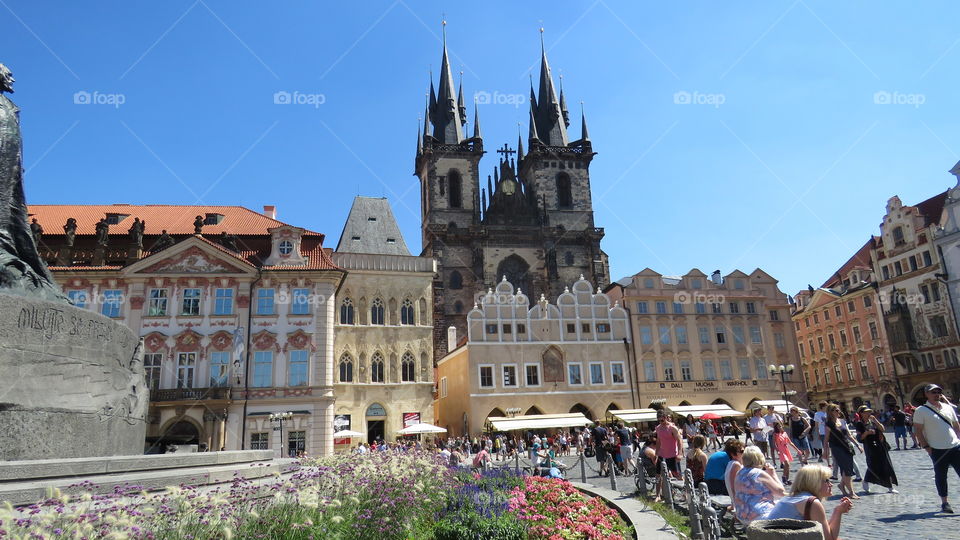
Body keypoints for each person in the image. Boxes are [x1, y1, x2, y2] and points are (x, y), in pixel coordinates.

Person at [765, 465, 853, 540]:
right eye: (826, 480)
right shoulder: (811, 502)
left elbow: (823, 530)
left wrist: (837, 510)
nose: (831, 484)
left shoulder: (791, 497)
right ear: (814, 482)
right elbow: (828, 538)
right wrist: (838, 512)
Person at [913, 383, 960, 513]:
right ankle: (945, 503)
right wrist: (927, 447)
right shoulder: (921, 410)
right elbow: (918, 431)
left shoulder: (947, 407)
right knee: (941, 476)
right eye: (933, 392)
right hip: (937, 449)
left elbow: (956, 425)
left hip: (955, 447)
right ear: (926, 394)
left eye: (938, 392)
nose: (936, 394)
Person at [732, 445, 786, 525]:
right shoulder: (758, 473)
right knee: (788, 506)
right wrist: (773, 474)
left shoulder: (740, 472)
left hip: (742, 515)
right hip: (759, 515)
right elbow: (781, 492)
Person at [854, 408, 898, 494]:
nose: (869, 413)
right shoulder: (859, 424)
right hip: (870, 446)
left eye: (869, 412)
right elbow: (859, 438)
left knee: (886, 465)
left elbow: (882, 429)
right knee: (873, 465)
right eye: (866, 412)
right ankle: (866, 480)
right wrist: (866, 433)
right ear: (861, 413)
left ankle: (890, 487)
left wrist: (875, 421)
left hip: (880, 445)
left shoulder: (873, 421)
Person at [824, 403, 862, 499]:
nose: (838, 412)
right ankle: (851, 492)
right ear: (831, 412)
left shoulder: (842, 421)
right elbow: (826, 439)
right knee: (847, 470)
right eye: (836, 410)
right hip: (837, 448)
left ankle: (841, 485)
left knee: (848, 470)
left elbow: (849, 435)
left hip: (847, 447)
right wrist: (825, 452)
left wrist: (858, 445)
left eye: (838, 410)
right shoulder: (829, 424)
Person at [655, 413, 684, 479]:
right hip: (662, 455)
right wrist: (656, 454)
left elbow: (679, 441)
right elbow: (658, 441)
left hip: (672, 455)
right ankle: (658, 490)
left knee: (678, 475)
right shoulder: (658, 428)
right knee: (658, 475)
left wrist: (680, 454)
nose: (660, 422)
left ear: (665, 418)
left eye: (662, 420)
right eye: (658, 421)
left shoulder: (672, 428)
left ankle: (685, 489)